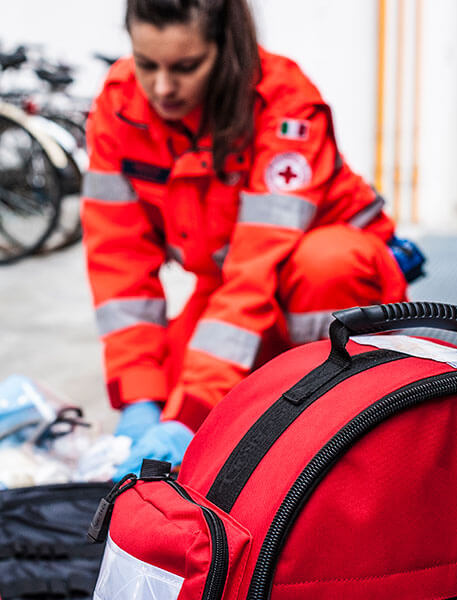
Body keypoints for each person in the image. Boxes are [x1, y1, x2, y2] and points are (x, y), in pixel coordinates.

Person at [81, 0, 421, 479]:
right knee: (173, 391)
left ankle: (337, 420)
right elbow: (119, 268)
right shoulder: (120, 107)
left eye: (186, 67)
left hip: (329, 283)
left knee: (325, 266)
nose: (161, 87)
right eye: (146, 63)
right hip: (231, 286)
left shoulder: (284, 105)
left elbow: (254, 272)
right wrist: (141, 397)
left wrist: (189, 415)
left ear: (226, 50)